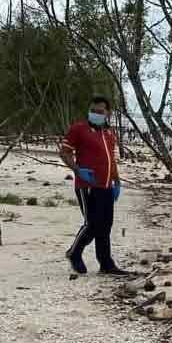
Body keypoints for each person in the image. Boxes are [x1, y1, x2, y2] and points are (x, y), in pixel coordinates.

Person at [59, 96, 129, 276]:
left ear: (108, 113)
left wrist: (116, 180)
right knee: (92, 224)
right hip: (87, 185)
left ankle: (106, 264)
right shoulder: (79, 129)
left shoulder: (109, 134)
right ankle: (74, 253)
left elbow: (111, 160)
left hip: (106, 186)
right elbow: (64, 152)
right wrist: (77, 169)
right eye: (93, 111)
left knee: (106, 225)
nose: (95, 114)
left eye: (100, 112)